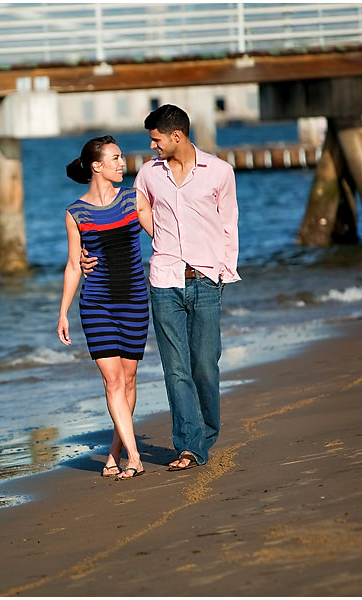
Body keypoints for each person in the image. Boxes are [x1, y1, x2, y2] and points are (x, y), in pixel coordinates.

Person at [84, 105, 240, 471]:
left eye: (155, 139)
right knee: (176, 368)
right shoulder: (149, 176)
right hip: (164, 281)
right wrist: (87, 254)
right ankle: (188, 446)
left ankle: (205, 431)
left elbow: (230, 225)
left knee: (204, 365)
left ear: (176, 136)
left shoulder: (219, 172)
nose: (151, 146)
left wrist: (222, 272)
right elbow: (125, 216)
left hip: (205, 280)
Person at [58, 135, 154, 480]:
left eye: (121, 157)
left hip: (133, 300)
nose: (121, 163)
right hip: (96, 302)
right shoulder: (76, 213)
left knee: (128, 380)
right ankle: (135, 456)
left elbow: (160, 234)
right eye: (114, 158)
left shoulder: (132, 198)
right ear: (96, 166)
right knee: (112, 382)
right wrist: (63, 312)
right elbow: (72, 265)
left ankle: (114, 451)